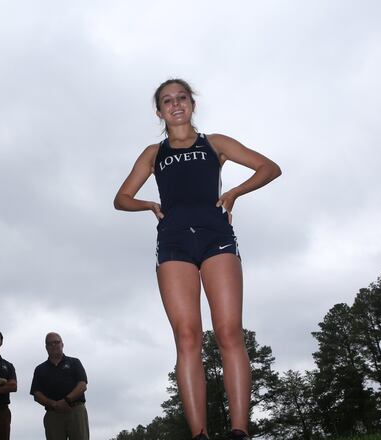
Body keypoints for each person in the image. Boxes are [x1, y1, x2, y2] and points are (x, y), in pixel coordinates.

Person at [113, 78, 281, 440]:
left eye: (182, 98)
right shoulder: (153, 153)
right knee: (187, 337)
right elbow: (121, 198)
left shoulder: (215, 144)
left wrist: (235, 191)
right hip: (173, 244)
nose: (176, 105)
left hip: (216, 239)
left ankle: (239, 431)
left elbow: (269, 168)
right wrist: (149, 204)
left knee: (228, 331)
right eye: (167, 101)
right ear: (159, 112)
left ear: (192, 104)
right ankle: (199, 434)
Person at [30, 332, 89, 440]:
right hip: (53, 414)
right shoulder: (40, 369)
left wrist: (66, 400)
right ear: (46, 347)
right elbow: (36, 394)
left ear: (62, 344)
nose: (53, 345)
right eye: (50, 343)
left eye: (56, 342)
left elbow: (82, 384)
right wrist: (54, 404)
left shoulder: (74, 362)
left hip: (75, 411)